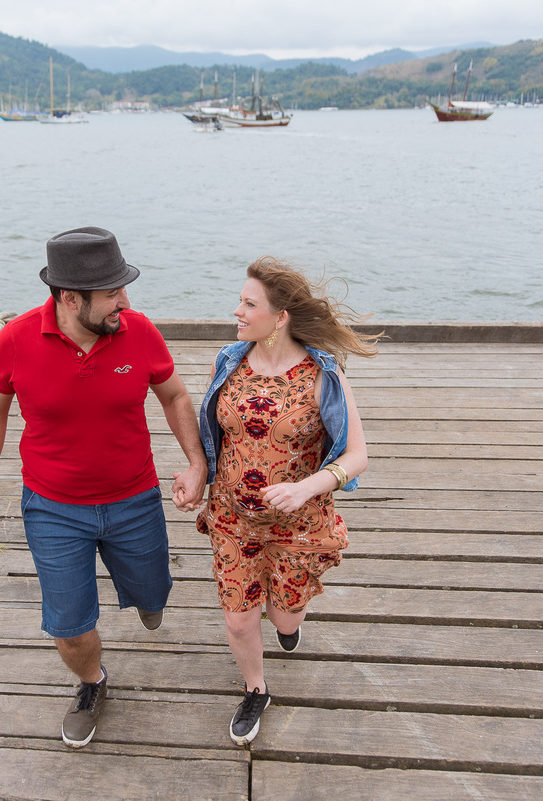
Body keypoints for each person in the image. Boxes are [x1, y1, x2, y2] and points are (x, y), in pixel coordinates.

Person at [0, 226, 207, 749]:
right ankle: (92, 683)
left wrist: (197, 463)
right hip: (53, 507)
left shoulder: (139, 331)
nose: (125, 300)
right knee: (69, 625)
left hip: (135, 499)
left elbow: (174, 395)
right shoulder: (15, 340)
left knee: (152, 598)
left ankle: (147, 597)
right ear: (70, 298)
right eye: (112, 293)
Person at [196, 256, 379, 745]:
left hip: (298, 523)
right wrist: (197, 473)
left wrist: (305, 487)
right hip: (233, 517)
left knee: (284, 617)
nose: (237, 311)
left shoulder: (324, 376)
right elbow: (217, 436)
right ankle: (256, 688)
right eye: (240, 300)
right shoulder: (229, 361)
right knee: (239, 618)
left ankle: (288, 620)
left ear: (280, 317)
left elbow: (358, 456)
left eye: (248, 303)